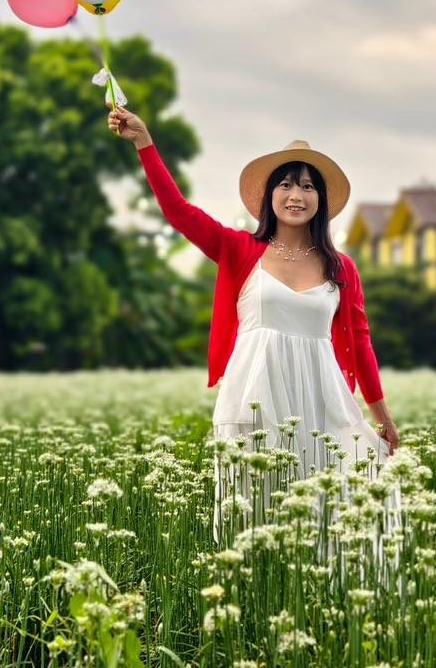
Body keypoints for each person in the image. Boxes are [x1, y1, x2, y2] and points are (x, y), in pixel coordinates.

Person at [107, 106, 403, 566]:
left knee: (325, 514)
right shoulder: (240, 250)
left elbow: (361, 341)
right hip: (254, 399)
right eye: (286, 183)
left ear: (321, 200)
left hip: (320, 402)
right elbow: (179, 212)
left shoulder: (341, 267)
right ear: (269, 195)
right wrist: (145, 143)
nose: (296, 194)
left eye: (308, 186)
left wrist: (381, 415)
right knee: (253, 516)